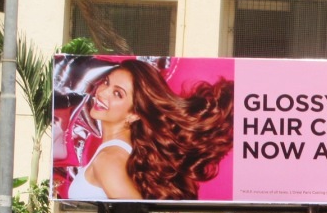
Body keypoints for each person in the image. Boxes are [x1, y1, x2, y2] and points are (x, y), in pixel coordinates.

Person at [66, 59, 234, 201]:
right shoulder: (126, 152)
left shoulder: (108, 159)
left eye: (118, 93)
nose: (102, 93)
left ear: (134, 114)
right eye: (106, 82)